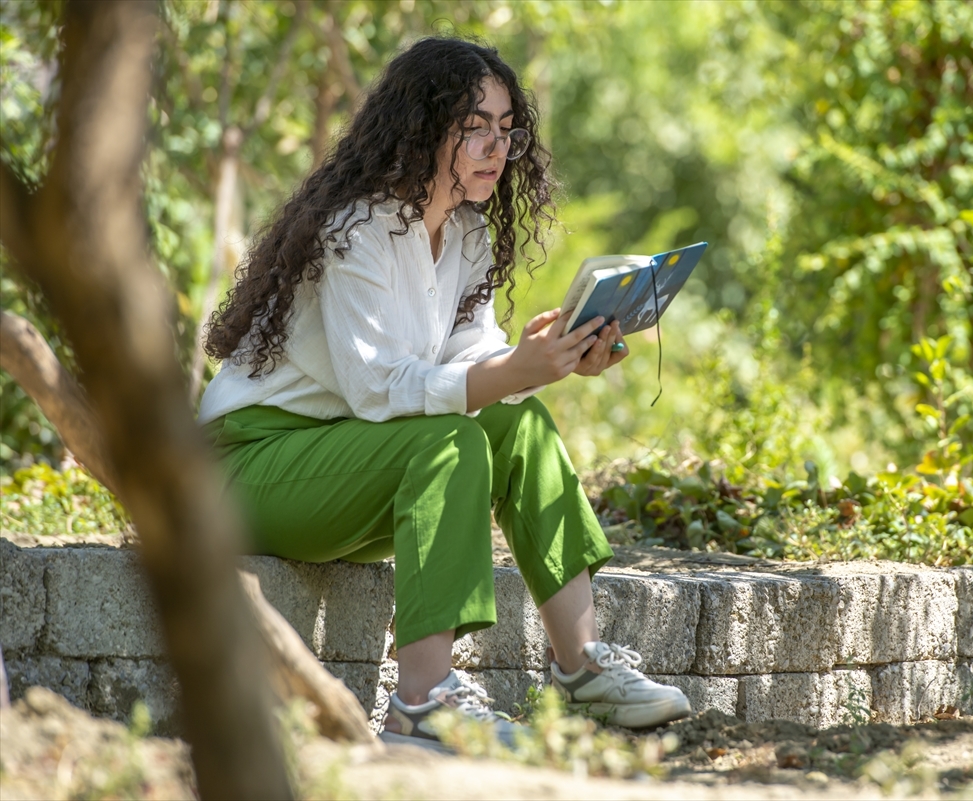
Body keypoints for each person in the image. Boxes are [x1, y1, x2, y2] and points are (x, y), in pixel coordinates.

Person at [198, 36, 692, 749]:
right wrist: (512, 370)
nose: (497, 146)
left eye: (506, 128)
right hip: (247, 466)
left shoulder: (463, 234)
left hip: (345, 463)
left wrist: (552, 360)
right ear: (423, 128)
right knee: (448, 440)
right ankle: (423, 700)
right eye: (475, 127)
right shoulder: (357, 230)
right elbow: (379, 389)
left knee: (520, 424)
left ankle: (580, 663)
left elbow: (472, 362)